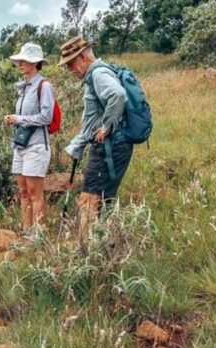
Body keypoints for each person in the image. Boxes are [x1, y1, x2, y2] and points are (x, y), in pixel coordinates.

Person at [57, 36, 132, 240]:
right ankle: (103, 245)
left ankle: (84, 252)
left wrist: (108, 125)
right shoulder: (96, 75)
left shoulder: (98, 74)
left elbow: (117, 95)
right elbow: (93, 119)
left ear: (82, 57)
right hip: (110, 145)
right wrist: (79, 144)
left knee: (87, 200)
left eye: (71, 64)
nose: (70, 69)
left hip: (108, 145)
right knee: (101, 199)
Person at [3, 43, 55, 236]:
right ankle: (26, 232)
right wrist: (13, 120)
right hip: (21, 144)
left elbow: (46, 117)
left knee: (35, 193)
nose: (20, 64)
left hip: (36, 145)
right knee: (23, 192)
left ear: (34, 63)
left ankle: (39, 236)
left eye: (23, 61)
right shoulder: (24, 87)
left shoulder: (44, 86)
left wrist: (20, 119)